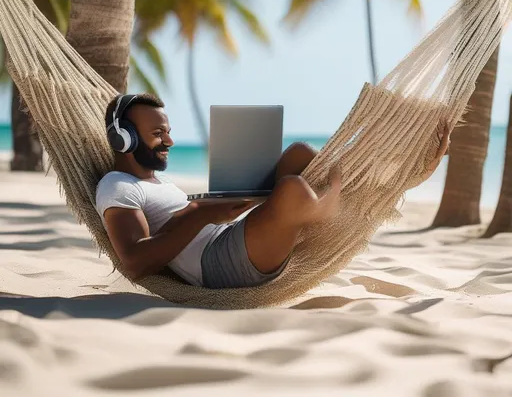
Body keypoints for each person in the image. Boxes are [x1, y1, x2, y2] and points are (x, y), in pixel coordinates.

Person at [96, 93, 450, 289]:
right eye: (158, 133)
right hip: (220, 265)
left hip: (230, 236)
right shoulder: (116, 186)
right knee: (293, 189)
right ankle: (323, 210)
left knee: (299, 154)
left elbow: (181, 225)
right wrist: (203, 212)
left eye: (168, 131)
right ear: (122, 138)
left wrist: (226, 201)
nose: (170, 141)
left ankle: (385, 178)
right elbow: (135, 262)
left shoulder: (157, 183)